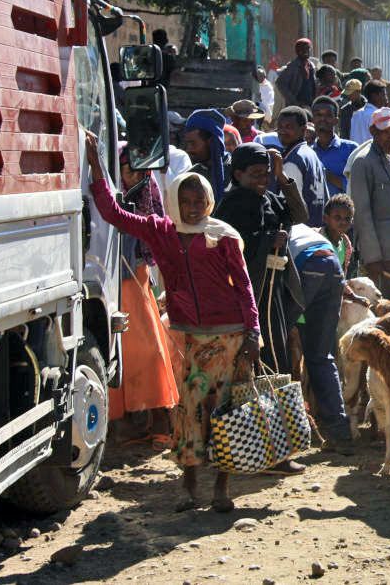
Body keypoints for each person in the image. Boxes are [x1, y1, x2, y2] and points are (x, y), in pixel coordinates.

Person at [85, 135, 259, 513]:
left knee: (226, 412)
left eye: (200, 201)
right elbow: (113, 213)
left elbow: (244, 286)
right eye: (186, 201)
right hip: (189, 338)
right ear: (174, 201)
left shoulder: (222, 235)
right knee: (191, 413)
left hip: (230, 335)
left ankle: (221, 491)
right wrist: (97, 167)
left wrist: (253, 333)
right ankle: (189, 489)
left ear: (209, 201)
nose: (194, 208)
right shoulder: (160, 230)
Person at [215, 142, 308, 380]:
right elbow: (233, 245)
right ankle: (263, 410)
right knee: (260, 352)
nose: (263, 180)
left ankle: (276, 408)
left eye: (266, 174)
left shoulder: (269, 199)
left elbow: (300, 214)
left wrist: (281, 175)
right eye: (255, 174)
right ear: (238, 174)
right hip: (250, 291)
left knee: (277, 347)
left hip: (273, 288)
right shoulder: (232, 204)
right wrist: (268, 240)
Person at [108, 144, 179, 439]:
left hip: (136, 277)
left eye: (138, 170)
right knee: (120, 349)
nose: (132, 175)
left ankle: (158, 418)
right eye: (126, 169)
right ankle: (122, 420)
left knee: (149, 350)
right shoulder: (109, 198)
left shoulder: (146, 199)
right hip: (112, 280)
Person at [287, 223, 353, 445]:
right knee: (322, 356)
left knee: (282, 346)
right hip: (333, 267)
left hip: (308, 266)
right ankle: (340, 433)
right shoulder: (306, 229)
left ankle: (289, 429)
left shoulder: (277, 228)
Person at [349, 108, 390, 299]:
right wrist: (372, 258)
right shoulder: (363, 163)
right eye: (387, 132)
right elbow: (362, 214)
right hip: (381, 257)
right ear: (373, 131)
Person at [275, 106, 329, 226]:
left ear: (304, 130)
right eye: (280, 127)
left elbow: (289, 207)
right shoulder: (310, 154)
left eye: (289, 127)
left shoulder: (293, 161)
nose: (282, 131)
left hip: (300, 235)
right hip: (317, 231)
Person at [311, 96, 358, 196]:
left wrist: (329, 177)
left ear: (336, 120)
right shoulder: (307, 152)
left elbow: (359, 186)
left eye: (328, 115)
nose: (323, 119)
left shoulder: (350, 149)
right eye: (318, 115)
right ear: (313, 119)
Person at [182, 109, 229, 203]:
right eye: (187, 144)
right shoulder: (191, 176)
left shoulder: (237, 172)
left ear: (211, 142)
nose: (189, 149)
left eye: (193, 143)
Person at [275, 38, 319, 107]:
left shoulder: (311, 66)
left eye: (308, 49)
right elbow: (280, 83)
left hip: (310, 105)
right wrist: (293, 101)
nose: (306, 51)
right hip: (297, 106)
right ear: (297, 51)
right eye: (302, 49)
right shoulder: (293, 66)